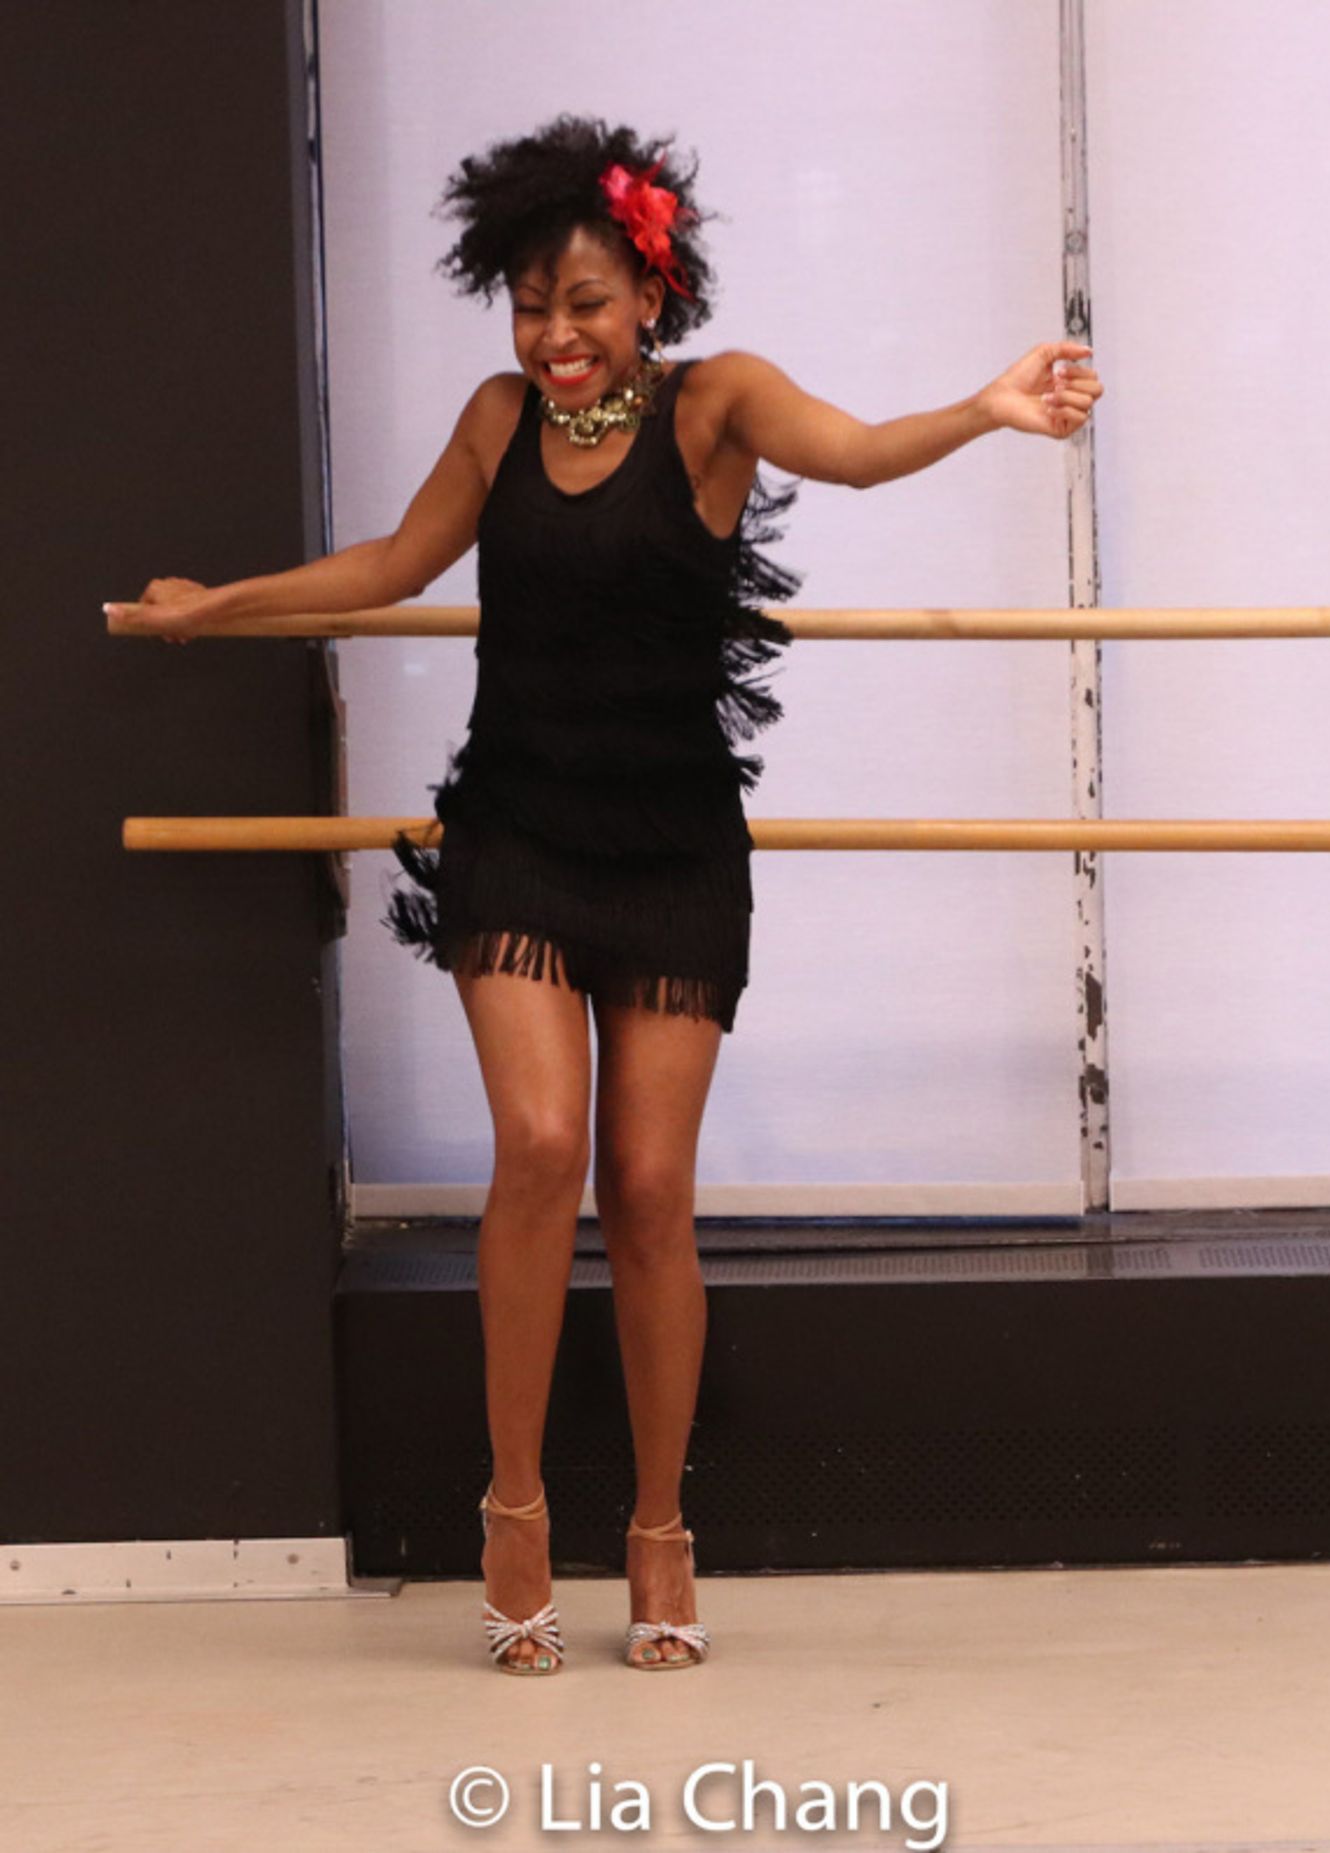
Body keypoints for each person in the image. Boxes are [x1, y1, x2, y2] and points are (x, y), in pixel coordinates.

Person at [105, 113, 1102, 1677]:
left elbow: (849, 451)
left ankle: (655, 1527)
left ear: (649, 290)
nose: (553, 333)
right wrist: (219, 605)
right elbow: (392, 560)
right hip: (517, 828)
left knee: (644, 1189)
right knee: (543, 1143)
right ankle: (513, 1504)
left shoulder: (721, 404)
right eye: (527, 303)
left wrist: (983, 408)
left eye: (582, 300)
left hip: (677, 849)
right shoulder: (501, 418)